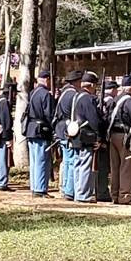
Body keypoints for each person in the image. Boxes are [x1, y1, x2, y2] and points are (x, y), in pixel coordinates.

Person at [70, 71, 105, 203]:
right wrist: (99, 137)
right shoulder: (87, 99)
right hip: (86, 135)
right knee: (84, 165)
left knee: (78, 164)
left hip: (76, 134)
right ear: (91, 85)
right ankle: (83, 194)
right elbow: (93, 120)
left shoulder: (77, 96)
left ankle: (78, 192)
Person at [108, 75, 131, 205]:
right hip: (124, 136)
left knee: (115, 166)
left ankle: (114, 194)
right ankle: (124, 196)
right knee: (126, 166)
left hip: (113, 134)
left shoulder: (116, 99)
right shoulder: (130, 102)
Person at [53, 70, 82, 201]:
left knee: (67, 160)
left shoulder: (63, 93)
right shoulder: (73, 95)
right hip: (68, 130)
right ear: (77, 82)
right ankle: (69, 190)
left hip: (61, 128)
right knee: (71, 161)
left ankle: (65, 188)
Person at [26, 70, 55, 197]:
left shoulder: (33, 93)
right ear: (47, 79)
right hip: (41, 130)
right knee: (41, 160)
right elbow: (49, 114)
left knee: (34, 160)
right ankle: (40, 188)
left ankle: (35, 186)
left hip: (31, 129)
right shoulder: (45, 94)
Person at [96, 79, 118, 202]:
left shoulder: (98, 100)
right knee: (103, 167)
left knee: (100, 166)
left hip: (99, 136)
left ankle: (100, 190)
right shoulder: (110, 102)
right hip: (105, 138)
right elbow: (106, 121)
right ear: (113, 89)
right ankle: (102, 192)